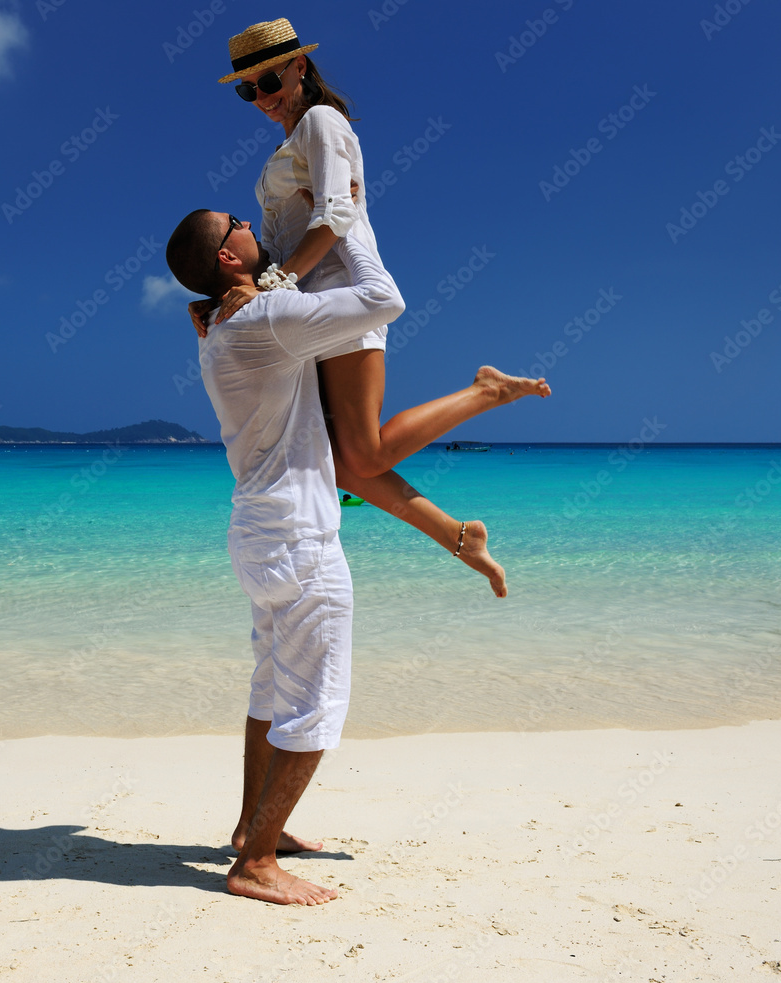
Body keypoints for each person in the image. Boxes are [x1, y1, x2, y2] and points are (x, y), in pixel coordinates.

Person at [166, 211, 545, 905]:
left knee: (271, 692)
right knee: (315, 703)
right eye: (237, 225)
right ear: (227, 260)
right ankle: (254, 865)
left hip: (258, 531)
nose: (251, 223)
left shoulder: (223, 327)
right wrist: (349, 226)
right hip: (297, 540)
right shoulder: (261, 320)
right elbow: (383, 301)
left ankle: (255, 832)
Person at [191, 18, 550, 598]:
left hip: (344, 297)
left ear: (300, 67)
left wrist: (277, 284)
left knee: (365, 452)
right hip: (307, 309)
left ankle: (486, 390)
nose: (260, 97)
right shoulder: (289, 142)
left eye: (268, 80)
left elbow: (335, 215)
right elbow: (283, 237)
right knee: (345, 463)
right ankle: (460, 537)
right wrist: (216, 301)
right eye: (247, 89)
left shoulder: (320, 122)